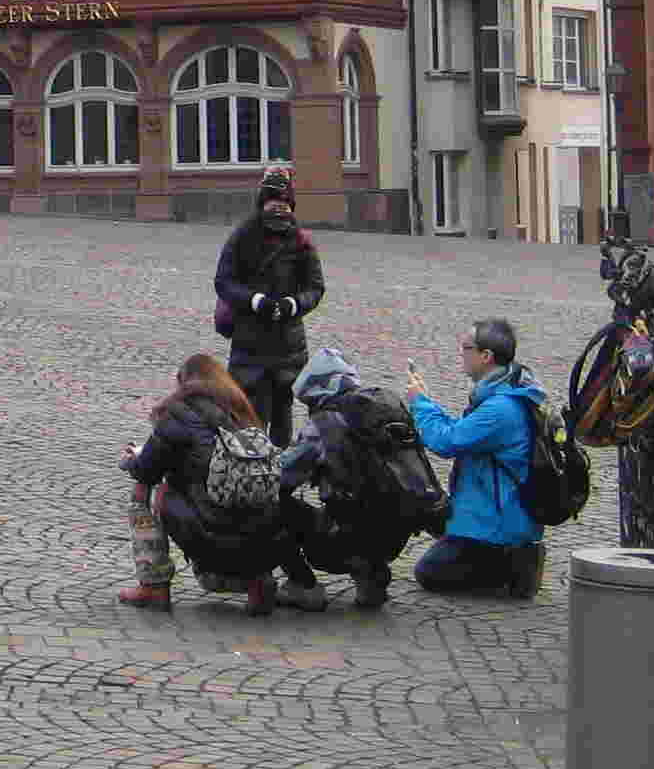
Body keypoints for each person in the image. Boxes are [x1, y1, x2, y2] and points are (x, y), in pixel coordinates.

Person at [118, 352, 303, 615]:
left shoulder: (178, 415)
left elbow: (145, 470)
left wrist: (131, 459)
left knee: (145, 491)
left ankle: (153, 583)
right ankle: (258, 582)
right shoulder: (244, 413)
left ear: (184, 383)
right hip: (264, 542)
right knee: (249, 501)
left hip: (208, 538)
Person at [276, 347, 444, 609]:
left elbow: (283, 477)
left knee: (273, 504)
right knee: (365, 502)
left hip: (340, 541)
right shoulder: (387, 408)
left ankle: (303, 585)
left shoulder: (324, 423)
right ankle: (371, 572)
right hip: (393, 537)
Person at [403, 315, 550, 599]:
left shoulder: (501, 409)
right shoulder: (507, 392)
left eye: (465, 347)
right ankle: (512, 559)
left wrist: (419, 404)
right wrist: (428, 404)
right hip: (493, 514)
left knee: (429, 572)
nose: (461, 353)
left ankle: (511, 567)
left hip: (496, 526)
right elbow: (462, 433)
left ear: (486, 356)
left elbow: (447, 442)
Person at [213, 169, 326, 447]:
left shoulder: (301, 242)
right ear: (262, 204)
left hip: (287, 347)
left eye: (284, 205)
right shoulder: (243, 237)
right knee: (252, 419)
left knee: (282, 416)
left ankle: (280, 481)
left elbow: (315, 287)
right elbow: (224, 281)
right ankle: (256, 475)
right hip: (251, 345)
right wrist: (255, 301)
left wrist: (292, 305)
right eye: (274, 204)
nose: (279, 210)